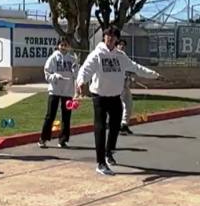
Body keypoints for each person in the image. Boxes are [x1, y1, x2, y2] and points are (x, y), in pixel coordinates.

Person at [76, 27, 160, 176]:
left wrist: (153, 75)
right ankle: (100, 162)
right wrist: (81, 82)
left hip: (115, 97)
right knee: (100, 128)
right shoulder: (97, 55)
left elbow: (135, 67)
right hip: (99, 97)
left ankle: (109, 153)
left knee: (115, 127)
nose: (110, 38)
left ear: (116, 39)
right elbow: (85, 69)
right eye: (107, 35)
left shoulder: (120, 56)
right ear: (104, 37)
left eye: (113, 36)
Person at [38, 37, 78, 148]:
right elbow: (47, 74)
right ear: (58, 46)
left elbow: (76, 75)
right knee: (50, 115)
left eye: (66, 45)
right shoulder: (53, 58)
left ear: (69, 46)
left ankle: (63, 140)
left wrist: (75, 69)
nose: (63, 47)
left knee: (66, 116)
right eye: (61, 45)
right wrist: (54, 76)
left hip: (67, 91)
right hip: (54, 90)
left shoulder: (72, 59)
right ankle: (43, 138)